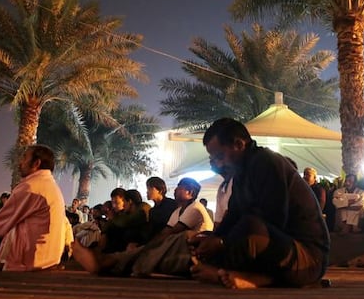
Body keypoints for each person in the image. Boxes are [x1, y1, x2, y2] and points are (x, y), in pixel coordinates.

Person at [190, 118, 330, 289]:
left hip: (307, 260)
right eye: (214, 158)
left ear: (239, 144)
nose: (219, 163)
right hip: (276, 252)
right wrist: (211, 239)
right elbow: (233, 216)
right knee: (205, 243)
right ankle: (241, 274)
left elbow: (271, 219)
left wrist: (222, 244)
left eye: (220, 156)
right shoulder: (241, 174)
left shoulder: (267, 162)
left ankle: (243, 275)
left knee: (250, 226)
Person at [72, 177, 212, 277]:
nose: (175, 190)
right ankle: (106, 262)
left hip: (190, 251)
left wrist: (148, 246)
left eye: (180, 187)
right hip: (175, 246)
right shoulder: (177, 210)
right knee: (148, 251)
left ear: (190, 193)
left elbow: (171, 233)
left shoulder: (194, 208)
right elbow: (166, 231)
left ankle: (105, 263)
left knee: (155, 249)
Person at [0, 144, 73, 271]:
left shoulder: (31, 187)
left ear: (36, 163)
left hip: (30, 258)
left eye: (24, 158)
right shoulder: (49, 185)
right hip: (47, 256)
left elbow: (0, 224)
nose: (20, 163)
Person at [101, 188, 150, 252]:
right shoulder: (118, 215)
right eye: (112, 203)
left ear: (129, 201)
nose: (113, 206)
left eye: (116, 202)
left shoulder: (141, 210)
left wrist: (113, 218)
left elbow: (126, 222)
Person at [145, 176, 177, 240]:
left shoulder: (171, 204)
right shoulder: (152, 211)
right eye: (147, 189)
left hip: (169, 239)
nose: (147, 192)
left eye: (150, 189)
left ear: (160, 191)